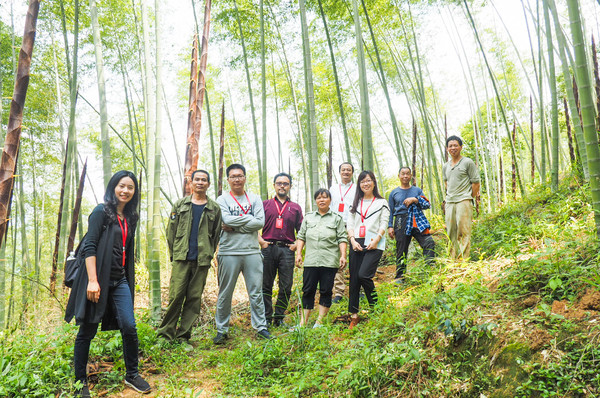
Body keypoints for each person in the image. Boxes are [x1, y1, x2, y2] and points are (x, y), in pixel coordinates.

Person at [65, 171, 151, 397]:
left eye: (130, 187)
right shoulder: (100, 212)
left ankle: (132, 374)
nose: (125, 191)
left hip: (119, 279)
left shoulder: (131, 217)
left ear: (135, 192)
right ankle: (79, 382)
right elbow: (90, 246)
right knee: (87, 329)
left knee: (129, 326)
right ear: (113, 187)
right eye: (121, 186)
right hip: (97, 279)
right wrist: (92, 281)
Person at [157, 170, 222, 343]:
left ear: (208, 184)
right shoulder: (180, 205)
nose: (200, 182)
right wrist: (175, 254)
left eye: (204, 180)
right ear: (191, 182)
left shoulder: (214, 208)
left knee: (194, 299)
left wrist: (208, 253)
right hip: (181, 258)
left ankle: (183, 337)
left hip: (201, 260)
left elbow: (215, 235)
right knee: (176, 296)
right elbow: (171, 232)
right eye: (197, 179)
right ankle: (165, 335)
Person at [213, 164, 271, 344]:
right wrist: (249, 221)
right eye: (233, 176)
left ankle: (261, 327)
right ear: (228, 180)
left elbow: (260, 222)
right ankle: (222, 329)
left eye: (240, 176)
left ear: (245, 178)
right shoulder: (221, 199)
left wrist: (235, 227)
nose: (237, 179)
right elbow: (225, 219)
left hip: (252, 251)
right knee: (225, 293)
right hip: (228, 251)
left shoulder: (254, 198)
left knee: (255, 292)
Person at [295, 189, 347, 328]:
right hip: (311, 261)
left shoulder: (337, 218)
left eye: (325, 197)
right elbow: (301, 236)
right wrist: (299, 254)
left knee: (326, 290)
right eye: (318, 198)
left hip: (329, 261)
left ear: (330, 200)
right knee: (308, 290)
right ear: (315, 201)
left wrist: (343, 256)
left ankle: (319, 321)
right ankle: (303, 322)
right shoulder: (308, 217)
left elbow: (342, 238)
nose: (322, 200)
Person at [258, 173, 303, 327]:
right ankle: (266, 317)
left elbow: (302, 231)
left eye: (285, 183)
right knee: (265, 284)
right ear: (274, 185)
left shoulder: (295, 207)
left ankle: (279, 317)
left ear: (290, 186)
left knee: (286, 285)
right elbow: (252, 224)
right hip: (268, 248)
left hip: (286, 250)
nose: (282, 186)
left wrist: (296, 245)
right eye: (279, 183)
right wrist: (260, 241)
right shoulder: (265, 204)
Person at [347, 171, 390, 329]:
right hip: (356, 241)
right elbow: (350, 224)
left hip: (374, 241)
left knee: (364, 275)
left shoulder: (381, 202)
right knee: (354, 280)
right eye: (362, 181)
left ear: (374, 183)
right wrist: (352, 240)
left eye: (369, 180)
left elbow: (384, 223)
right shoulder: (355, 203)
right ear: (359, 184)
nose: (366, 184)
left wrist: (377, 239)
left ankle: (376, 308)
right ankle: (354, 315)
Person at [387, 167, 436, 283]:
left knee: (429, 242)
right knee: (401, 249)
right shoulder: (394, 193)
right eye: (402, 174)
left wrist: (415, 199)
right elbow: (390, 211)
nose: (405, 176)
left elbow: (427, 204)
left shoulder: (417, 190)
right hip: (400, 221)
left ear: (411, 176)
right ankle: (400, 277)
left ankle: (430, 270)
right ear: (398, 176)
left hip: (416, 219)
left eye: (407, 174)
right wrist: (390, 226)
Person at [443, 136, 480, 259]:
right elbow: (446, 182)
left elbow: (476, 183)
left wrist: (468, 198)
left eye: (455, 145)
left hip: (463, 200)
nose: (453, 148)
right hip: (450, 202)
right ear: (447, 148)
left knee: (463, 231)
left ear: (460, 147)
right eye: (450, 146)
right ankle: (451, 260)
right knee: (450, 232)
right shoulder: (445, 166)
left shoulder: (467, 162)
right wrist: (450, 195)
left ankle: (464, 261)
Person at [329, 162, 356, 303]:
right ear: (339, 172)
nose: (346, 172)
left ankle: (357, 289)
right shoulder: (333, 189)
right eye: (343, 170)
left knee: (356, 257)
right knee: (338, 258)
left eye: (349, 170)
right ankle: (338, 292)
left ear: (352, 172)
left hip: (353, 226)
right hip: (336, 226)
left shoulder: (357, 188)